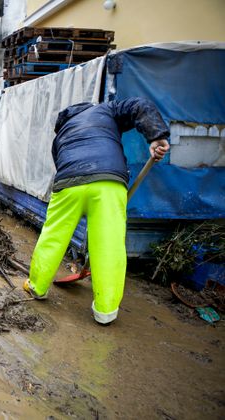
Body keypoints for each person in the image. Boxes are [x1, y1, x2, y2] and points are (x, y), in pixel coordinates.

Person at [23, 97, 170, 325]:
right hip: (108, 183)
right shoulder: (107, 110)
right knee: (109, 245)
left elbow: (60, 164)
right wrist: (157, 136)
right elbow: (138, 105)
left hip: (69, 184)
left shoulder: (61, 135)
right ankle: (105, 311)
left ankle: (37, 287)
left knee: (53, 235)